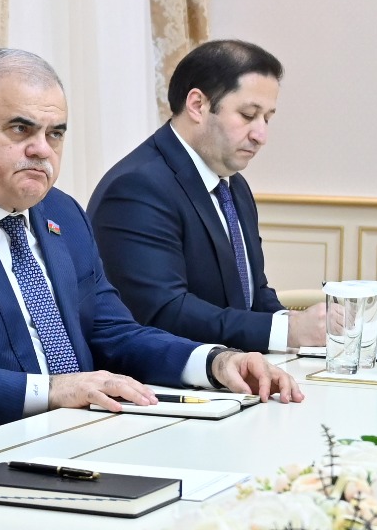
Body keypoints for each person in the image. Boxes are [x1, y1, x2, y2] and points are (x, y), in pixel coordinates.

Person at [0, 48, 304, 446]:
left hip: (86, 436)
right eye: (21, 130)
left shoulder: (62, 212)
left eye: (55, 133)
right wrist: (49, 391)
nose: (42, 149)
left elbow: (113, 331)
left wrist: (216, 361)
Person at [88, 38, 325, 353]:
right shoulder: (136, 187)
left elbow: (253, 293)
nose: (261, 135)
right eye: (248, 115)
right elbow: (164, 313)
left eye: (267, 118)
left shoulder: (233, 184)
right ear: (197, 105)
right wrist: (287, 331)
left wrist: (299, 325)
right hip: (164, 378)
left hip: (234, 368)